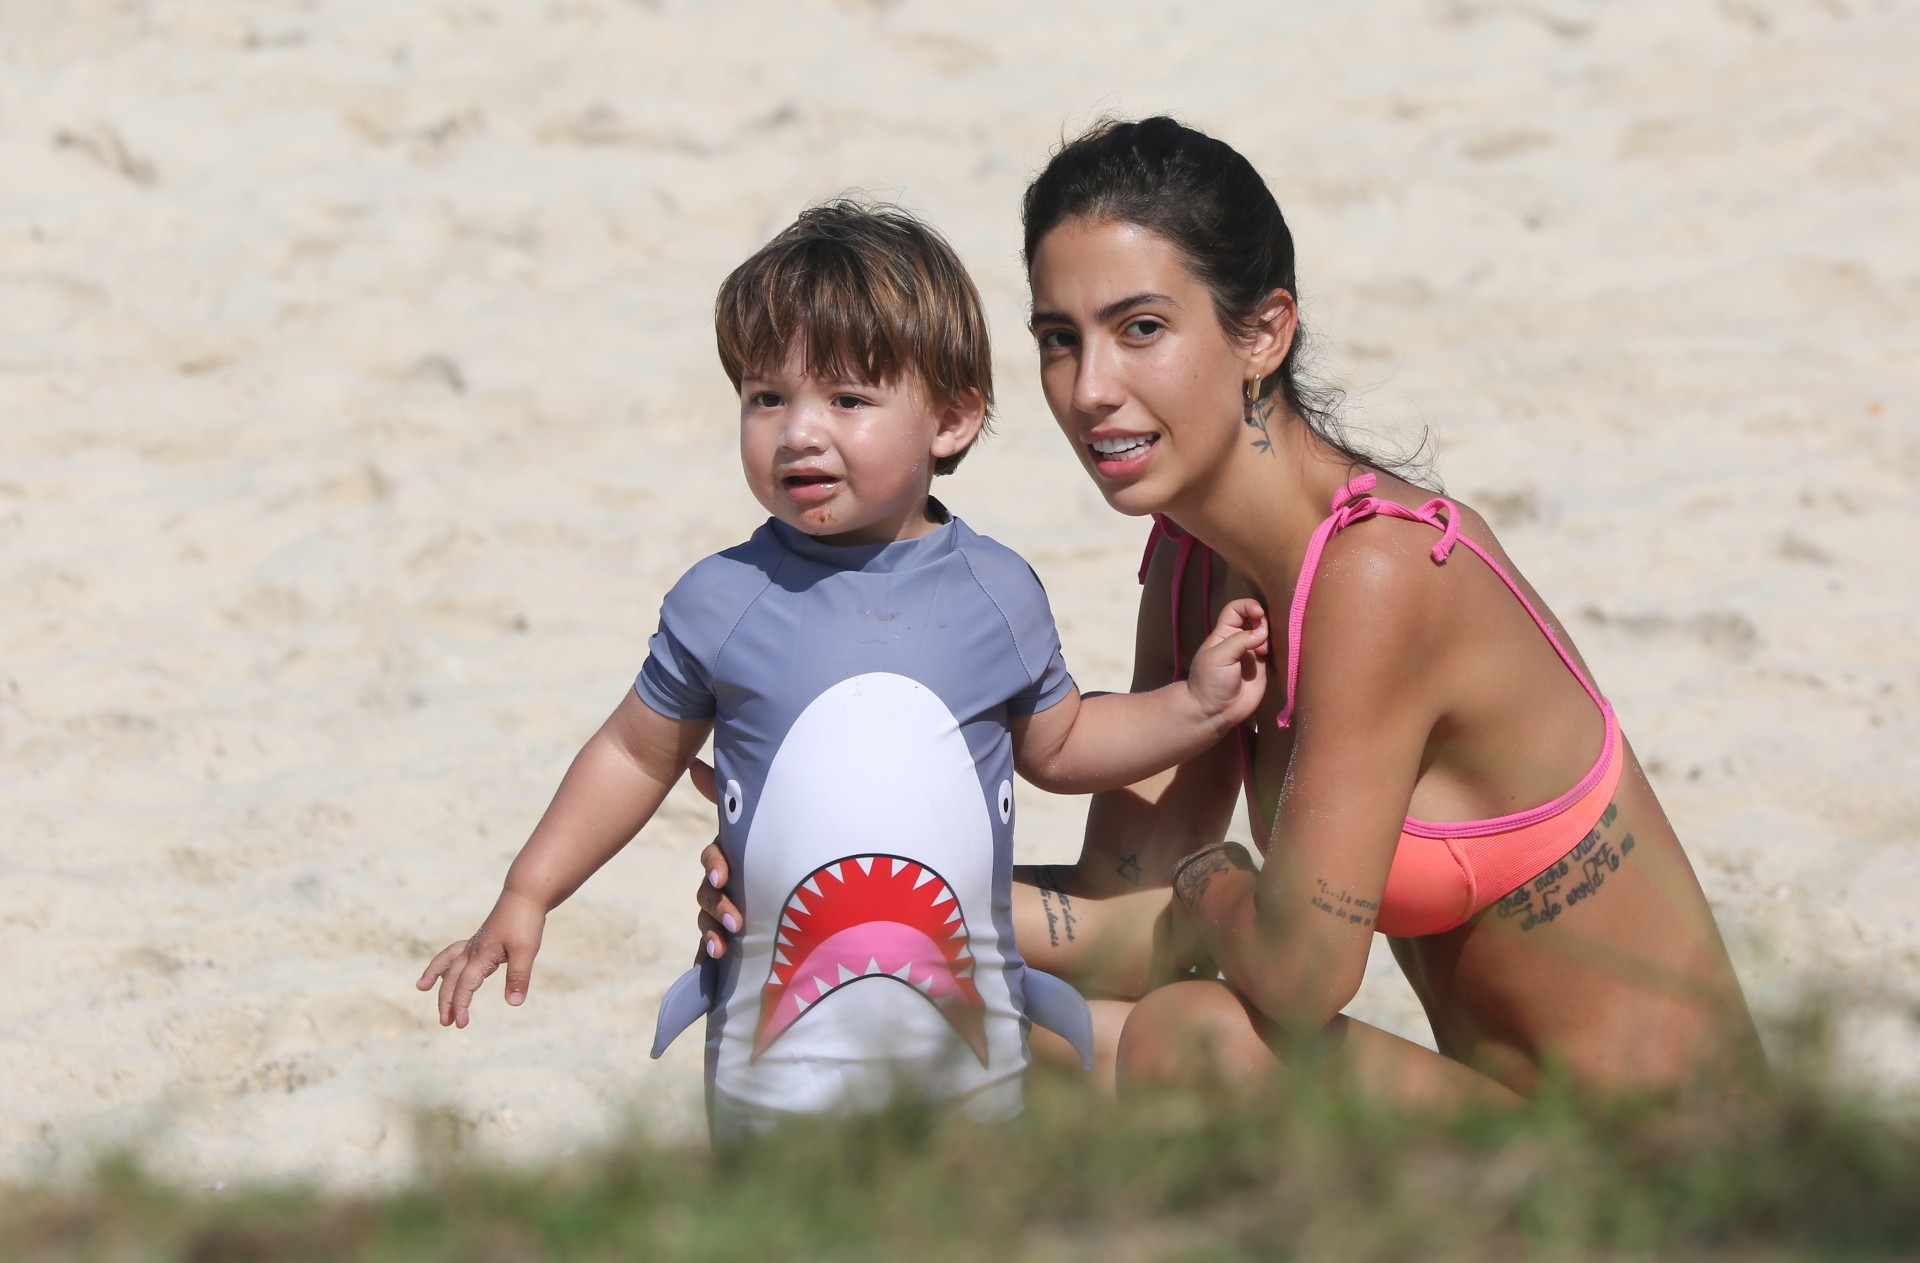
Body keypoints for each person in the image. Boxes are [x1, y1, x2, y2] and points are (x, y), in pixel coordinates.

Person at [698, 121, 1768, 1109]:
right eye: (1061, 338)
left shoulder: (1383, 572)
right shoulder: (1194, 563)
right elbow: (1127, 920)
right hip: (1500, 1135)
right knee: (1025, 1024)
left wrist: (1213, 879)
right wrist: (828, 878)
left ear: (1263, 334)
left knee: (1197, 1038)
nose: (1090, 388)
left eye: (1143, 328)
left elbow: (1300, 971)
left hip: (1672, 1189)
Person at [416, 199, 1271, 1142]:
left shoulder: (995, 592)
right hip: (772, 1064)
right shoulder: (722, 597)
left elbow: (1062, 742)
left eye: (848, 400)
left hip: (970, 1064)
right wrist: (529, 892)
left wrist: (1192, 706)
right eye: (765, 396)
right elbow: (632, 751)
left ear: (952, 418)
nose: (798, 433)